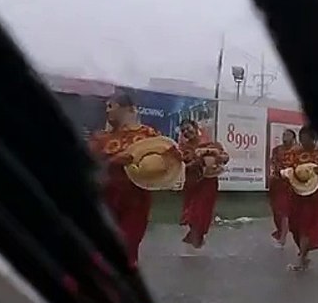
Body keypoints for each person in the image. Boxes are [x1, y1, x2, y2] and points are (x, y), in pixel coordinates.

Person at [87, 92, 177, 270]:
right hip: (106, 197)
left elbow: (166, 155)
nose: (107, 111)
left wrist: (173, 159)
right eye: (106, 107)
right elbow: (89, 165)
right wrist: (113, 161)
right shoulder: (100, 138)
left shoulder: (148, 134)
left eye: (111, 106)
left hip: (137, 199)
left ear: (128, 109)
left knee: (127, 246)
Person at [178, 118, 229, 249]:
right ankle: (196, 239)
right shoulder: (183, 147)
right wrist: (196, 162)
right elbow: (182, 164)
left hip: (208, 183)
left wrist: (209, 153)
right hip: (192, 183)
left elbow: (225, 158)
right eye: (183, 130)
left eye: (188, 128)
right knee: (190, 213)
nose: (186, 131)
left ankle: (197, 239)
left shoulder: (210, 143)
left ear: (195, 127)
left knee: (202, 212)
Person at [285, 125, 318, 270]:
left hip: (315, 194)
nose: (304, 143)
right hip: (296, 192)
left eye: (307, 140)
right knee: (295, 226)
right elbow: (287, 167)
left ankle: (301, 259)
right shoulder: (295, 151)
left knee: (306, 226)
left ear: (314, 139)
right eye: (301, 139)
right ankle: (304, 252)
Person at [267, 128, 297, 245]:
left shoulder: (297, 151)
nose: (285, 137)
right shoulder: (277, 150)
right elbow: (273, 162)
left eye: (288, 135)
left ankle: (283, 237)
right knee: (276, 211)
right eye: (284, 134)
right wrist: (277, 172)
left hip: (289, 184)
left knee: (284, 210)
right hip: (276, 183)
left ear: (293, 138)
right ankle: (280, 231)